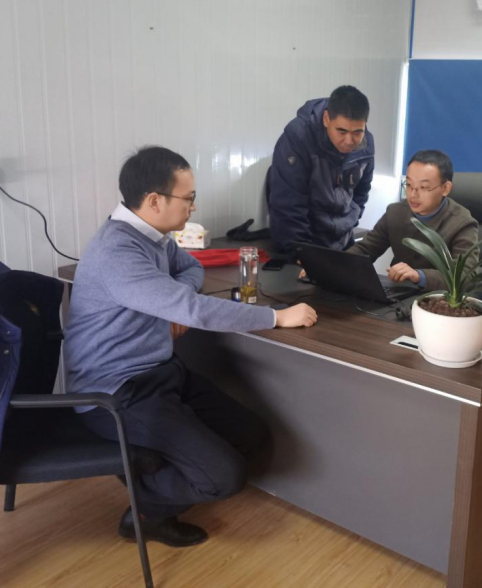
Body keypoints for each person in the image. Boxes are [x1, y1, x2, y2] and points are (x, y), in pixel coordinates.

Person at [64, 146, 317, 547]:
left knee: (252, 434)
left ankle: (152, 473)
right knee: (225, 477)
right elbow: (195, 310)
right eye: (189, 198)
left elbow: (192, 268)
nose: (194, 207)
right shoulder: (118, 251)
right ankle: (144, 512)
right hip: (114, 393)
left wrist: (172, 300)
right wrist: (276, 317)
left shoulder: (154, 237)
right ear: (154, 201)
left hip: (159, 372)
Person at [265, 85, 374, 257]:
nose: (349, 140)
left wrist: (349, 224)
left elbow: (361, 193)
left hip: (342, 242)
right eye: (341, 131)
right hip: (304, 244)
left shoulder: (366, 144)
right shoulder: (299, 137)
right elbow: (288, 204)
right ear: (326, 119)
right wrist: (303, 255)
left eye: (357, 132)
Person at [347, 149, 478, 291]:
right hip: (398, 291)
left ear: (445, 188)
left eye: (424, 187)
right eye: (409, 185)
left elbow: (466, 276)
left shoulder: (462, 223)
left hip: (438, 298)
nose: (413, 195)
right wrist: (338, 263)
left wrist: (419, 276)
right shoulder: (395, 212)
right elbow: (366, 249)